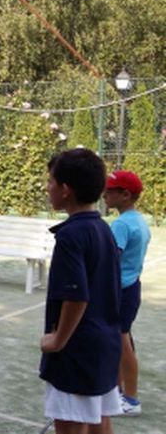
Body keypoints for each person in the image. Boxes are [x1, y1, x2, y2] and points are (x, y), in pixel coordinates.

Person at [40, 149, 122, 434]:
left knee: (72, 427)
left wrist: (57, 341)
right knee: (100, 423)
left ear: (66, 190)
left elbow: (77, 296)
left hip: (77, 352)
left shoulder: (70, 236)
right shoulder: (103, 229)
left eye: (51, 181)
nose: (47, 187)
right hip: (104, 348)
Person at [103, 170, 151, 416]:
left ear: (125, 195)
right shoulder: (139, 220)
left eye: (110, 191)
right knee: (121, 341)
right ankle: (119, 393)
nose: (104, 194)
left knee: (122, 343)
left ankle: (130, 400)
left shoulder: (121, 224)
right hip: (131, 288)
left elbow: (110, 261)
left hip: (120, 291)